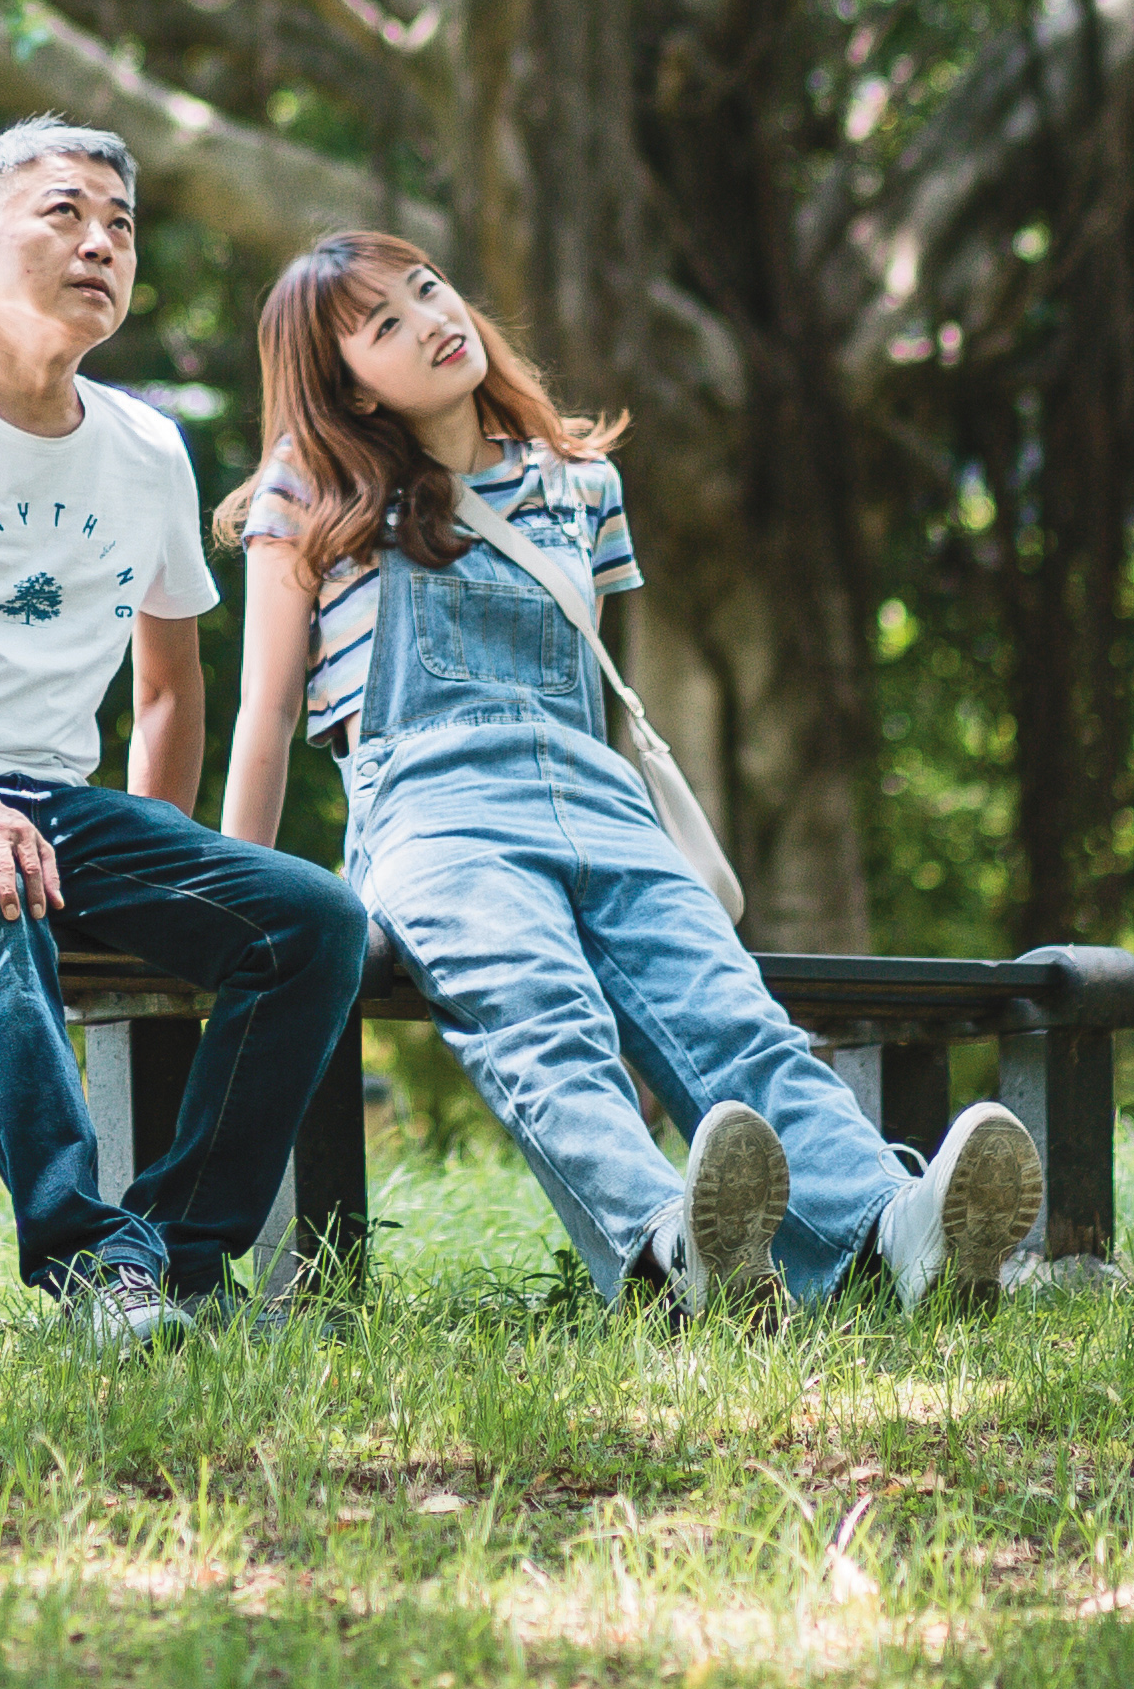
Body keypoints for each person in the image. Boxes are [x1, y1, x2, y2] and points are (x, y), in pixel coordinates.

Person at [216, 231, 1039, 1315]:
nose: (432, 320)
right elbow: (268, 714)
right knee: (544, 1021)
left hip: (599, 801)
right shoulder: (312, 493)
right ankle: (668, 1254)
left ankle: (894, 1235)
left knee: (733, 1020)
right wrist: (233, 902)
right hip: (438, 818)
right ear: (351, 389)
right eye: (385, 325)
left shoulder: (580, 483)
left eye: (428, 289)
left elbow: (583, 686)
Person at [0, 119, 378, 1342]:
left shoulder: (145, 448)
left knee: (312, 921)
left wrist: (156, 866)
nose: (102, 244)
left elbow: (170, 688)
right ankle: (91, 1263)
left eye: (121, 226)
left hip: (52, 809)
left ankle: (178, 1263)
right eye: (66, 214)